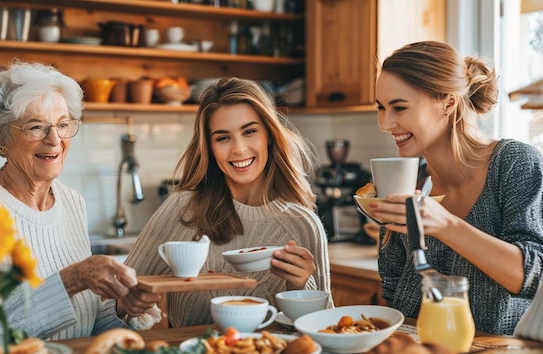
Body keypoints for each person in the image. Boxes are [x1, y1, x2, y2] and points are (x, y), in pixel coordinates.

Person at [0, 61, 162, 340]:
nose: (55, 139)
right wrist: (73, 279)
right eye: (36, 127)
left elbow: (85, 321)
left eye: (63, 125)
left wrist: (120, 308)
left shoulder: (71, 202)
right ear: (1, 139)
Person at [125, 77, 333, 328]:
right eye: (223, 138)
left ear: (269, 134)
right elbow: (117, 298)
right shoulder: (184, 209)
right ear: (209, 147)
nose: (239, 149)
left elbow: (326, 328)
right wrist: (135, 305)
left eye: (249, 131)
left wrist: (301, 286)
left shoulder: (303, 224)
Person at [370, 41, 543, 335]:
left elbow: (534, 279)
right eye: (381, 108)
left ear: (448, 103)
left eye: (399, 107)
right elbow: (393, 287)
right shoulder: (410, 180)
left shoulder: (514, 163)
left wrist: (445, 225)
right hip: (418, 353)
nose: (385, 123)